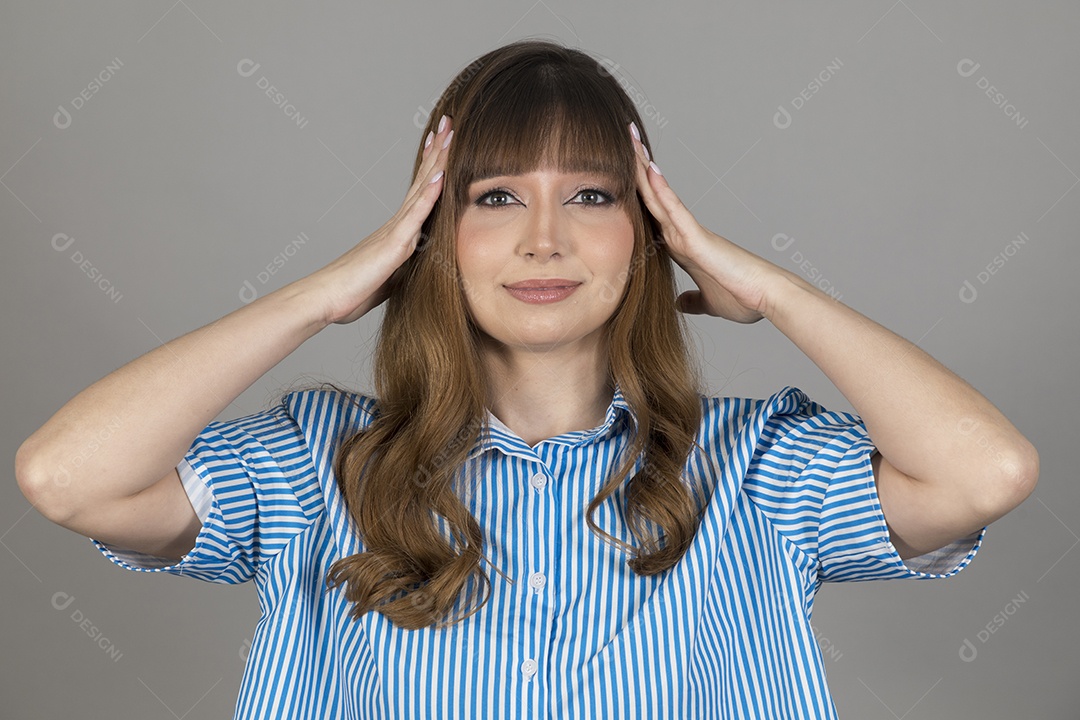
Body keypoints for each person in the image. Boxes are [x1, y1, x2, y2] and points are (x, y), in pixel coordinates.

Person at [15, 39, 1038, 719]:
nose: (545, 240)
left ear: (648, 236)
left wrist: (770, 290)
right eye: (497, 196)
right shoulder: (322, 464)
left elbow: (984, 471)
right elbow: (69, 477)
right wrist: (321, 297)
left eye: (591, 195)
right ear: (429, 232)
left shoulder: (757, 466)